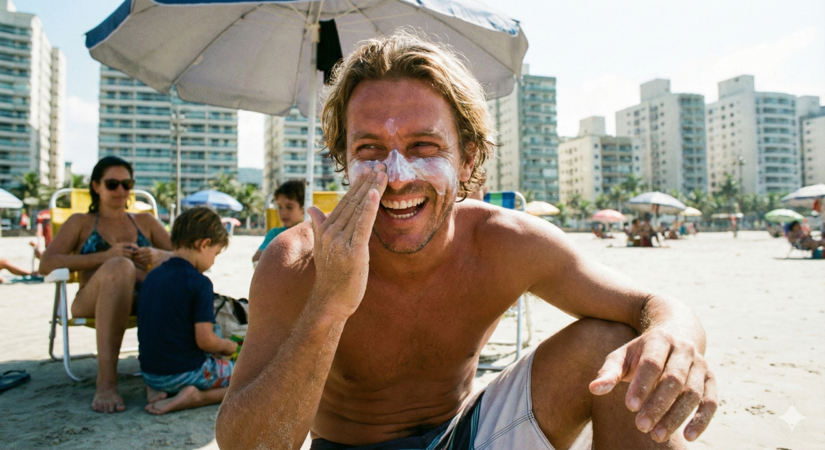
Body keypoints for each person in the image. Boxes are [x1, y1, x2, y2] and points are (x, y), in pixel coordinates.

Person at [216, 33, 716, 449]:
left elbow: (652, 305)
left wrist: (676, 339)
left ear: (469, 159)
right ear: (346, 161)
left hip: (467, 435)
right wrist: (327, 306)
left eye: (423, 147)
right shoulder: (297, 261)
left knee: (616, 345)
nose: (395, 177)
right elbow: (245, 444)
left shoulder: (505, 242)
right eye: (370, 149)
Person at [39, 156, 172, 413]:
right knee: (120, 266)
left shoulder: (145, 221)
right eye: (112, 184)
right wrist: (105, 257)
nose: (121, 190)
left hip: (141, 299)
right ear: (96, 186)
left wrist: (158, 255)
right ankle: (107, 381)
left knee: (167, 281)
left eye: (127, 184)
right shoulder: (80, 222)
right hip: (91, 301)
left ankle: (161, 374)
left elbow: (185, 257)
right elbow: (47, 264)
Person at [138, 206, 238, 415]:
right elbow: (205, 341)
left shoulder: (153, 276)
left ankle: (158, 389)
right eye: (215, 254)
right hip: (183, 373)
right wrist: (227, 346)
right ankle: (195, 397)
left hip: (150, 374)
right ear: (204, 244)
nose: (213, 261)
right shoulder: (199, 283)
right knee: (248, 377)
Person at [251, 180, 305, 263]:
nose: (283, 212)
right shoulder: (275, 234)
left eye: (289, 207)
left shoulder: (315, 233)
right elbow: (256, 259)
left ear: (304, 208)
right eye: (279, 207)